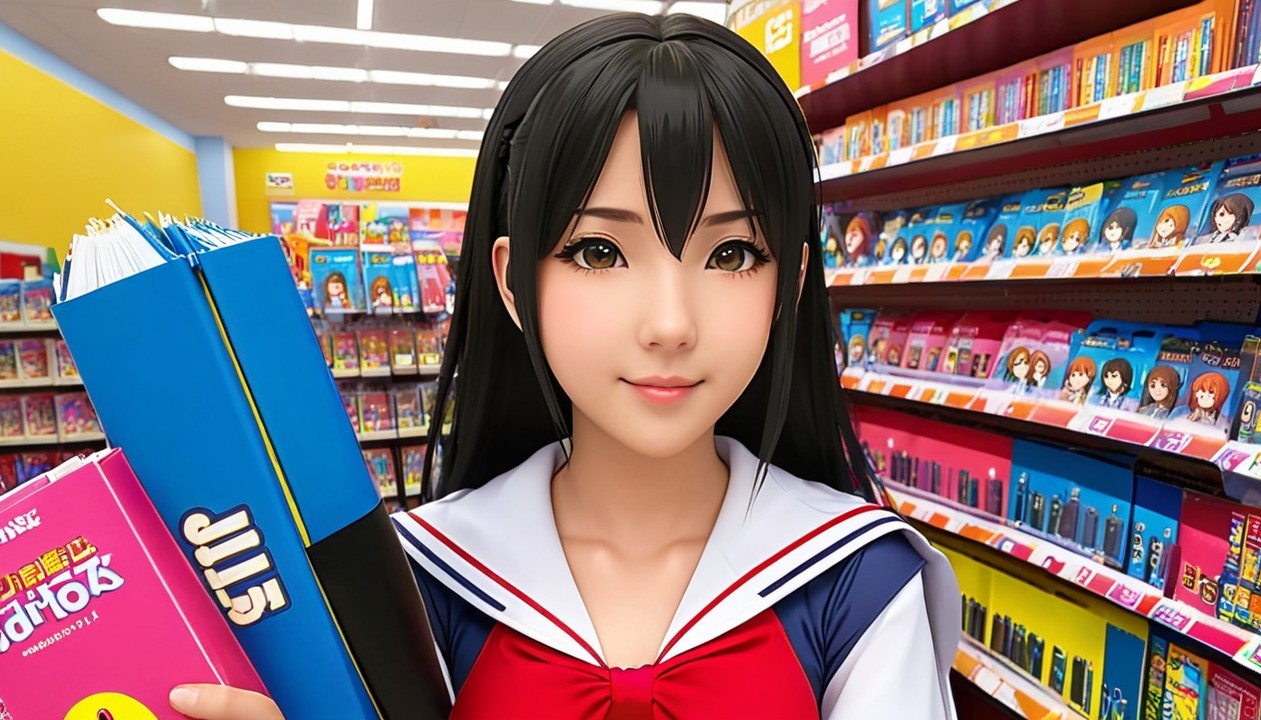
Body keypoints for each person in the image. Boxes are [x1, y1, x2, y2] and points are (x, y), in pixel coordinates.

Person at [170, 13, 960, 720]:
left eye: (731, 252)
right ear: (516, 282)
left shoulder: (855, 581)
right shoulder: (424, 580)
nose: (670, 325)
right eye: (599, 251)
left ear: (787, 284)